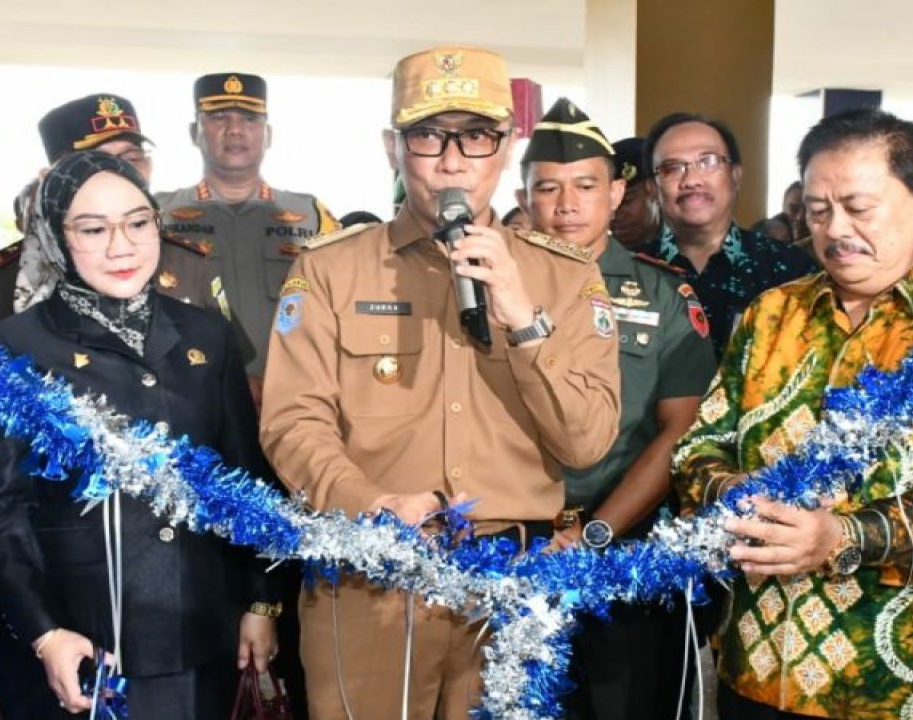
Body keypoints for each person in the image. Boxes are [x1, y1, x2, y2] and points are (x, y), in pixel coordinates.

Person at [259, 46, 621, 719]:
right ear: (393, 148)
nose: (452, 161)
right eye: (428, 136)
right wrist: (369, 505)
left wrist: (523, 317)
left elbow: (588, 442)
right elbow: (292, 422)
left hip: (510, 588)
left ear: (506, 149)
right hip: (371, 578)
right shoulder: (331, 268)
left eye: (476, 136)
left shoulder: (566, 276)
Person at [673, 109, 913, 719]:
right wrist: (730, 493)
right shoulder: (771, 315)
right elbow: (698, 445)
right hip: (754, 668)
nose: (836, 230)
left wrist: (837, 537)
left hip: (890, 685)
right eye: (817, 211)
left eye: (858, 208)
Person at [0, 151, 280, 720]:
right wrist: (43, 630)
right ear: (55, 237)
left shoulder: (206, 334)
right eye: (93, 229)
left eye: (137, 223)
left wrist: (261, 602)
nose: (122, 247)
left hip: (201, 626)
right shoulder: (13, 347)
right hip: (84, 638)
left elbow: (245, 478)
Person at [516, 97, 717, 720]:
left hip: (624, 557)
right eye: (547, 187)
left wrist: (596, 532)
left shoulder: (661, 294)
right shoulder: (487, 287)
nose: (566, 205)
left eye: (585, 186)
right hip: (509, 552)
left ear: (617, 192)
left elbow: (680, 431)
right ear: (523, 196)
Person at [0, 94, 232, 336]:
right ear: (51, 179)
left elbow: (227, 360)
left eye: (132, 158)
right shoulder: (12, 274)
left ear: (150, 166)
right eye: (95, 160)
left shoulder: (189, 262)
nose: (117, 172)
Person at [156, 73, 339, 407]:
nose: (235, 130)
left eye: (250, 119)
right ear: (194, 132)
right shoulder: (156, 216)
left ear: (268, 134)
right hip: (190, 399)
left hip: (293, 400)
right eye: (218, 117)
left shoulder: (313, 216)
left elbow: (339, 310)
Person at [645, 112, 816, 358]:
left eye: (708, 161)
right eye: (672, 168)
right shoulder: (629, 273)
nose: (691, 180)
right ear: (652, 188)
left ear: (736, 175)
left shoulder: (790, 270)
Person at [609, 137, 665, 254]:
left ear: (654, 190)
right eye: (607, 204)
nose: (614, 215)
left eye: (626, 200)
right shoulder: (596, 258)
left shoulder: (691, 247)